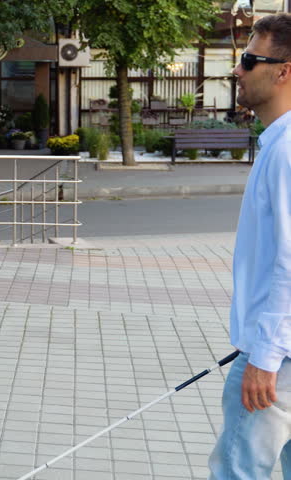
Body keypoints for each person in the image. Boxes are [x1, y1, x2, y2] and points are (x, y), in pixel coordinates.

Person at [208, 13, 291, 479]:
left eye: (247, 60)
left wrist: (263, 358)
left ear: (284, 70)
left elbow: (289, 261)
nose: (236, 71)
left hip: (275, 362)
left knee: (238, 471)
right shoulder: (278, 142)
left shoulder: (286, 149)